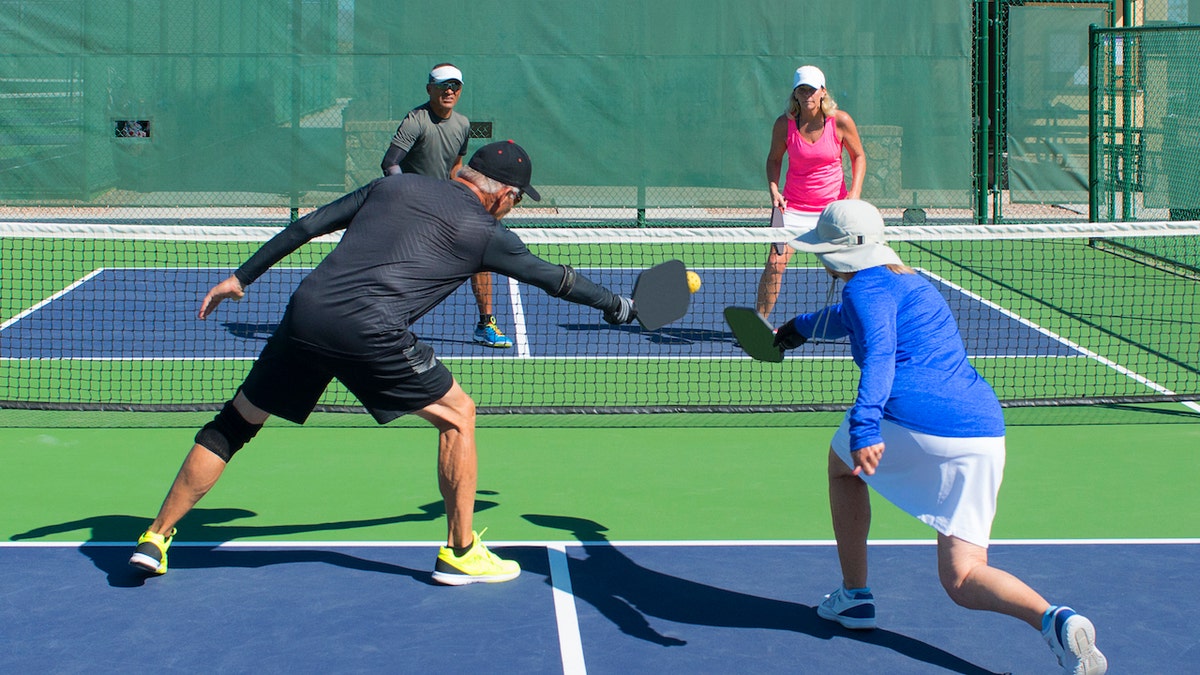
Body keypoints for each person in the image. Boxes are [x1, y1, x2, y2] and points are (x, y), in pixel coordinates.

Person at [129, 140, 639, 585]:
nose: (512, 209)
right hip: (371, 330)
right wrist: (619, 307)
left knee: (235, 424)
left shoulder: (391, 187)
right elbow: (558, 280)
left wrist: (242, 276)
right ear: (504, 195)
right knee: (459, 414)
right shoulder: (487, 231)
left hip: (307, 312)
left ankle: (154, 538)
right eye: (515, 202)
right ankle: (461, 553)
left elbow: (307, 225)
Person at [773, 200, 1108, 675]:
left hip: (914, 420)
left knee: (841, 467)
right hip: (983, 431)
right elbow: (848, 318)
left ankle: (853, 596)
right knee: (963, 574)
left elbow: (880, 353)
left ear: (838, 253)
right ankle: (1054, 620)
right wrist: (798, 328)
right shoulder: (911, 284)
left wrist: (866, 426)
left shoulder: (863, 292)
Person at [380, 63, 513, 349]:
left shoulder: (462, 125)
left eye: (454, 86)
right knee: (405, 269)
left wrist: (471, 198)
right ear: (430, 89)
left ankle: (485, 324)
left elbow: (455, 167)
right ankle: (388, 327)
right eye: (442, 85)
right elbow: (390, 163)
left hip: (446, 203)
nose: (449, 91)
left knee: (481, 252)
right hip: (413, 208)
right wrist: (409, 197)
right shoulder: (415, 120)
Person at [757, 65, 866, 321]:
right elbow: (774, 160)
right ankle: (759, 324)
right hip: (793, 209)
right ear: (795, 94)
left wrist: (855, 193)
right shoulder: (784, 125)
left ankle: (866, 320)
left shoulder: (840, 121)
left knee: (851, 269)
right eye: (801, 89)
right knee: (775, 264)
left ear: (822, 92)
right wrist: (774, 189)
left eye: (812, 89)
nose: (807, 94)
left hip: (832, 211)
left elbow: (858, 156)